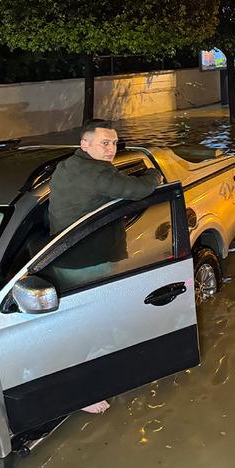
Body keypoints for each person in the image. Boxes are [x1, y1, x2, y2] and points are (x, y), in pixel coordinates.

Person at [48, 119, 162, 414]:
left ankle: (87, 376)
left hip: (62, 256)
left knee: (79, 323)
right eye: (104, 143)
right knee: (90, 326)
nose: (111, 149)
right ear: (84, 144)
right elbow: (138, 191)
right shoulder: (98, 172)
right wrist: (153, 175)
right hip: (89, 261)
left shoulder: (66, 166)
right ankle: (82, 393)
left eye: (114, 143)